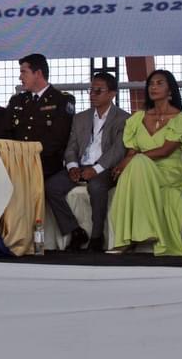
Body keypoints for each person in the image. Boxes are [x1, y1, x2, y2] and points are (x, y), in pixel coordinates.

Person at [108, 69, 182, 256]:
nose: (153, 87)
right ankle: (129, 237)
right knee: (134, 168)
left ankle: (133, 237)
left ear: (170, 89)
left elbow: (166, 150)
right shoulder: (137, 119)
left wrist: (131, 160)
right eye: (151, 84)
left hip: (168, 169)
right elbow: (131, 151)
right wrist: (129, 160)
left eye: (159, 83)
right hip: (139, 169)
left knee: (137, 163)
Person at [45, 72, 130, 252]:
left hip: (105, 168)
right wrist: (72, 167)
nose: (92, 94)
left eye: (98, 91)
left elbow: (118, 150)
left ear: (112, 94)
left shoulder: (123, 118)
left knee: (96, 187)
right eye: (91, 90)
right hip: (81, 166)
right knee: (51, 186)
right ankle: (75, 231)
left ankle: (97, 236)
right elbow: (71, 146)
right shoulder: (80, 118)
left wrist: (96, 169)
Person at [5, 53, 75, 178]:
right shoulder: (17, 100)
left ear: (37, 73)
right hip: (17, 166)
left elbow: (59, 137)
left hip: (47, 168)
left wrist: (30, 154)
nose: (20, 77)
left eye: (24, 72)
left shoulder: (62, 100)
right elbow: (6, 131)